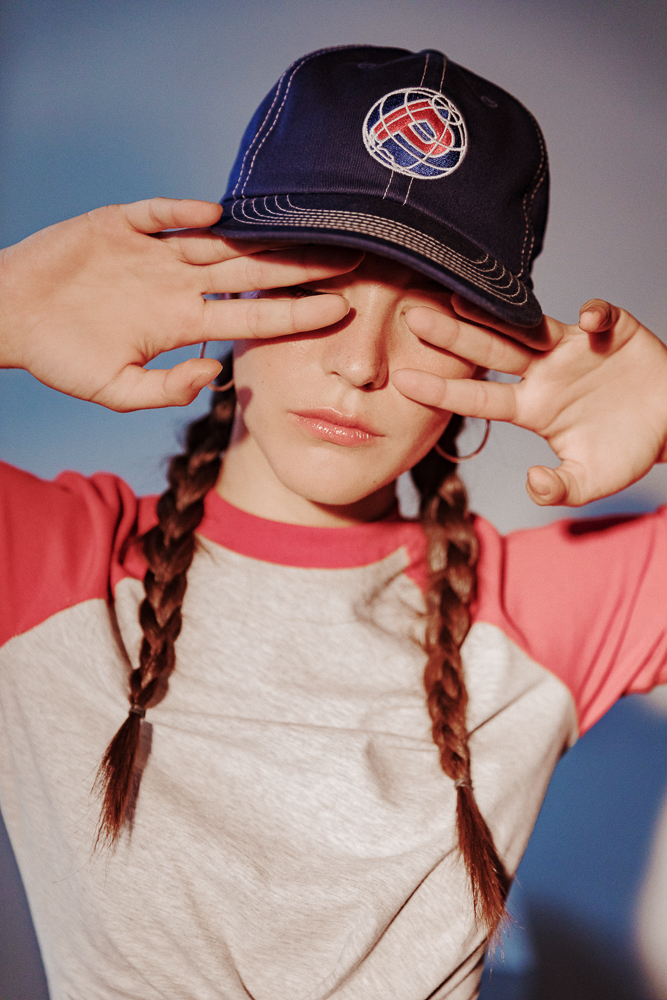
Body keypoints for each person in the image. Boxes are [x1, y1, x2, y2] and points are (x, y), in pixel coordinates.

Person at [1, 44, 667, 1000]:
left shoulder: (535, 609)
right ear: (227, 291)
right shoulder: (54, 562)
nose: (361, 363)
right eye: (316, 288)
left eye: (430, 316)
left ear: (486, 365)